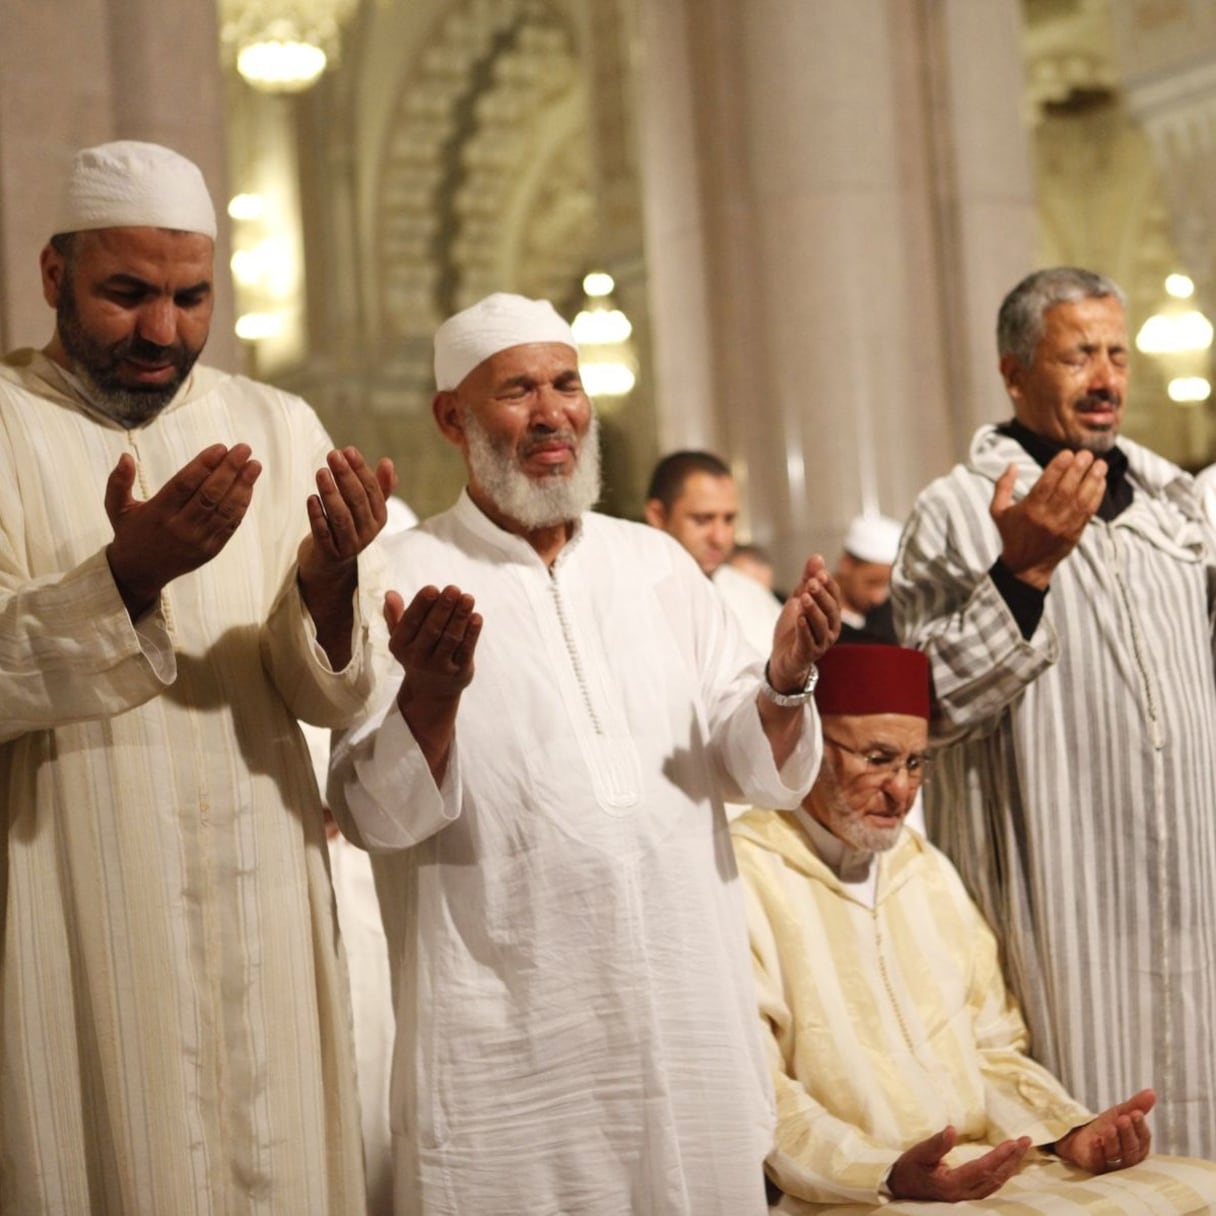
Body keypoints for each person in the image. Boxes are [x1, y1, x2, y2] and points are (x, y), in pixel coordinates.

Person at [329, 292, 843, 1215]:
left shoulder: (656, 564)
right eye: (517, 390)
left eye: (567, 384)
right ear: (453, 416)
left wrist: (785, 680)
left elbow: (749, 764)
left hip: (686, 1008)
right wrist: (433, 705)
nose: (553, 413)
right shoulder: (398, 574)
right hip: (512, 1039)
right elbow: (373, 814)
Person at [0, 141, 394, 1213]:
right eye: (126, 293)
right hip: (74, 900)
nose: (162, 330)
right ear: (53, 277)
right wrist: (126, 575)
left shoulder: (278, 427)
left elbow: (338, 693)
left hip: (262, 898)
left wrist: (326, 583)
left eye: (189, 297)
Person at [892, 266, 1216, 1159]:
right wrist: (1022, 574)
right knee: (1081, 1141)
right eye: (1078, 356)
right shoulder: (958, 512)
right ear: (1014, 371)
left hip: (1194, 887)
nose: (1107, 377)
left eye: (1116, 353)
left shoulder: (1176, 507)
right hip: (1053, 900)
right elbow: (922, 707)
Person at [732, 642, 1216, 1214]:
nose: (901, 790)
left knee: (1199, 1188)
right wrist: (884, 1172)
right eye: (878, 759)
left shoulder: (924, 869)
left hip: (975, 1167)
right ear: (810, 744)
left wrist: (1066, 1134)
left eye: (915, 764)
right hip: (853, 1192)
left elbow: (992, 1045)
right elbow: (758, 1089)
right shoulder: (745, 873)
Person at [645, 449, 782, 653]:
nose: (720, 538)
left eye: (728, 519)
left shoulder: (750, 595)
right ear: (658, 516)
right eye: (702, 520)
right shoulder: (630, 596)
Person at [834, 512, 902, 643]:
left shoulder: (891, 618)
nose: (878, 598)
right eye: (872, 583)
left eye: (887, 586)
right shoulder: (816, 623)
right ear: (846, 564)